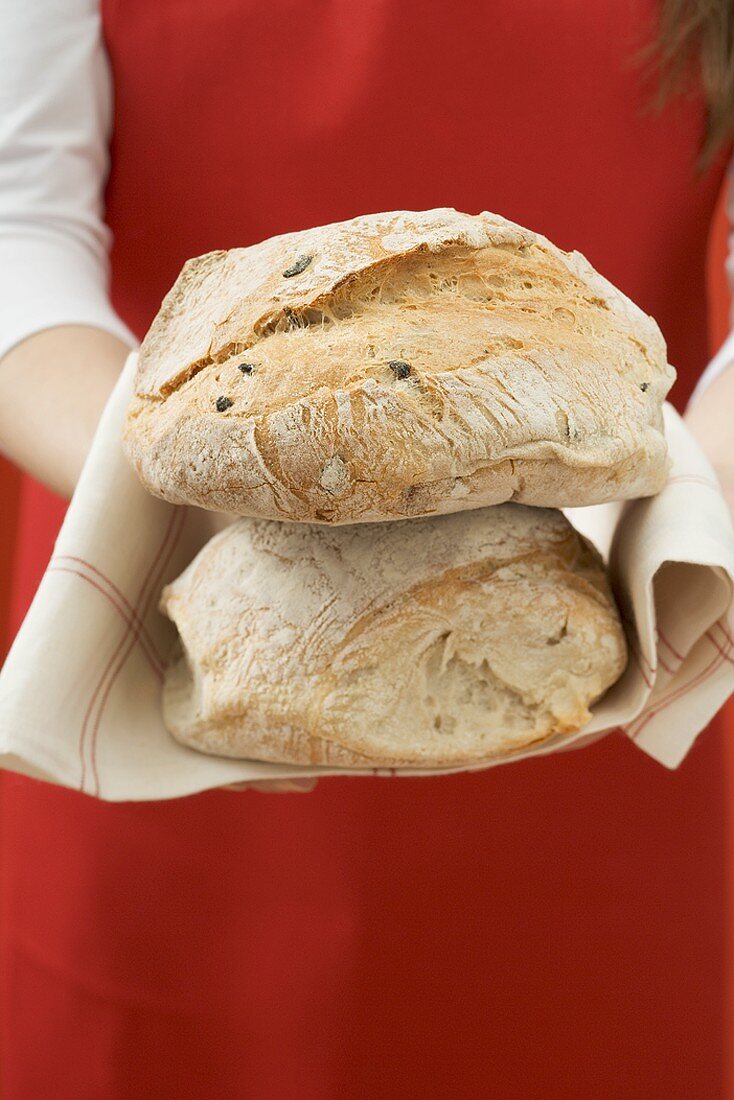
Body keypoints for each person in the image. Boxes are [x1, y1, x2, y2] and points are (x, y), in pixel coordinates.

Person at [0, 2, 733, 1097]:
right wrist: (212, 503)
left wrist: (683, 512)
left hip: (601, 656)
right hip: (175, 613)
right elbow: (16, 222)